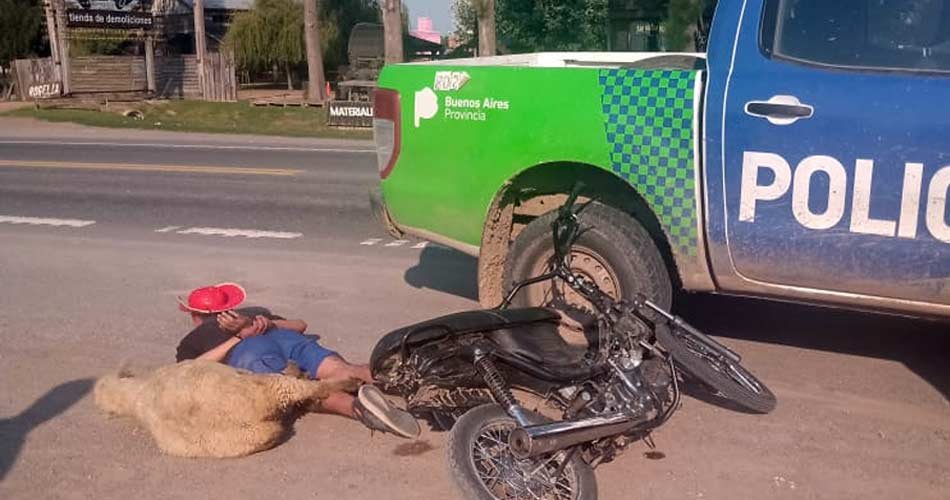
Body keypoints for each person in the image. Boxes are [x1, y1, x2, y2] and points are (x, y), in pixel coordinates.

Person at [174, 282, 419, 439]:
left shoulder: (193, 339)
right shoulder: (250, 315)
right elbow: (300, 326)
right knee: (342, 369)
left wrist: (241, 335)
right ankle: (412, 380)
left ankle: (359, 409)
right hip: (283, 337)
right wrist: (265, 324)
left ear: (196, 316)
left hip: (249, 352)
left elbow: (192, 369)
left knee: (303, 392)